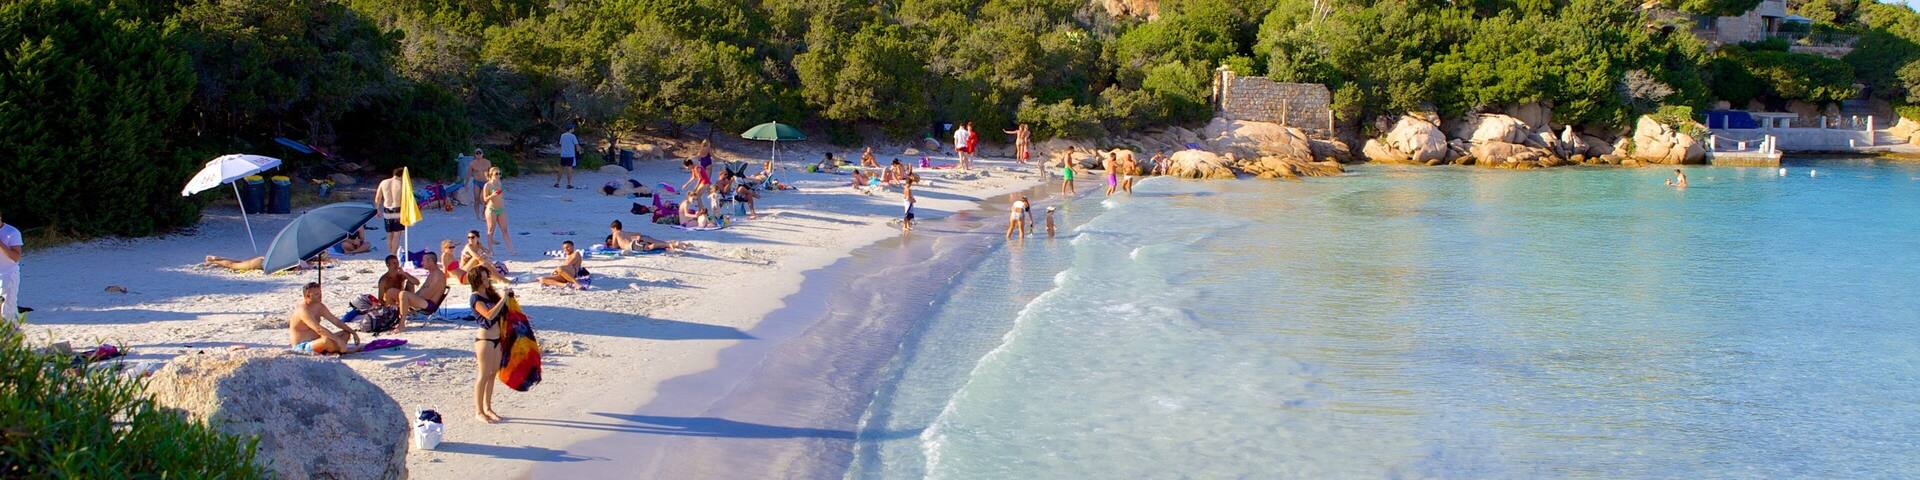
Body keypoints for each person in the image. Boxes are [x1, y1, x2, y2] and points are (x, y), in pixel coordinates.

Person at [465, 268, 508, 423]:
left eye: (486, 278)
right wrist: (502, 300)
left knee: (492, 375)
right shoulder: (475, 298)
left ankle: (488, 408)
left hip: (497, 339)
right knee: (483, 375)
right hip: (485, 340)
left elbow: (501, 312)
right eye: (483, 279)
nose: (486, 281)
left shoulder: (489, 294)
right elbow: (489, 314)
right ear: (476, 281)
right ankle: (479, 411)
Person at [289, 282, 360, 355]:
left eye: (320, 293)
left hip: (317, 340)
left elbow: (335, 321)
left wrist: (353, 332)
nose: (320, 296)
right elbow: (318, 329)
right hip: (303, 346)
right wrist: (338, 340)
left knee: (345, 333)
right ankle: (340, 350)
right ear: (308, 295)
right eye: (317, 294)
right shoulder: (303, 310)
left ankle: (334, 350)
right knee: (327, 340)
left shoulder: (319, 306)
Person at [378, 255, 428, 331]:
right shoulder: (384, 280)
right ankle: (397, 313)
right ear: (388, 265)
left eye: (397, 262)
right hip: (391, 302)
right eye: (394, 263)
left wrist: (405, 274)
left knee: (410, 283)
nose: (397, 265)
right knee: (390, 291)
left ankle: (409, 307)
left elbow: (417, 282)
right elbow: (380, 299)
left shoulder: (400, 275)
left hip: (402, 297)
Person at [373, 168, 407, 254]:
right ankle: (393, 254)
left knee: (389, 233)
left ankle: (391, 253)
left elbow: (377, 197)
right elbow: (406, 200)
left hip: (387, 210)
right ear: (402, 175)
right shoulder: (402, 184)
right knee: (397, 234)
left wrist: (377, 209)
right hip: (397, 209)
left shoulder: (384, 182)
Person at [482, 167, 513, 254]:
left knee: (505, 230)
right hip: (491, 209)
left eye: (499, 174)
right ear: (491, 175)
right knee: (491, 230)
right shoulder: (487, 185)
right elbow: (484, 199)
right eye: (496, 174)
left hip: (501, 209)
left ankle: (510, 249)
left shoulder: (499, 183)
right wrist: (492, 195)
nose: (498, 175)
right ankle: (491, 250)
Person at [609, 220, 688, 252]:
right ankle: (674, 243)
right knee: (658, 241)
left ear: (615, 228)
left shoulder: (615, 233)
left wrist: (609, 245)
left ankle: (670, 244)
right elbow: (638, 234)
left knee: (650, 247)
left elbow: (615, 246)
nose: (612, 231)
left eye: (612, 229)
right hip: (638, 239)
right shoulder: (625, 232)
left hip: (632, 245)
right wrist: (636, 238)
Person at [0, 210, 20, 322]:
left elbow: (16, 257)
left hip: (8, 275)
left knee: (8, 310)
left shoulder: (12, 232)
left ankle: (14, 337)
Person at [556, 124, 578, 189]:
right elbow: (576, 145)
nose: (574, 129)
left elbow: (560, 144)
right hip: (570, 155)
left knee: (561, 169)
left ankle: (557, 183)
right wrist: (579, 150)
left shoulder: (562, 135)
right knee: (569, 169)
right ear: (571, 129)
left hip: (563, 155)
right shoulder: (573, 136)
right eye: (573, 128)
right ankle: (569, 184)